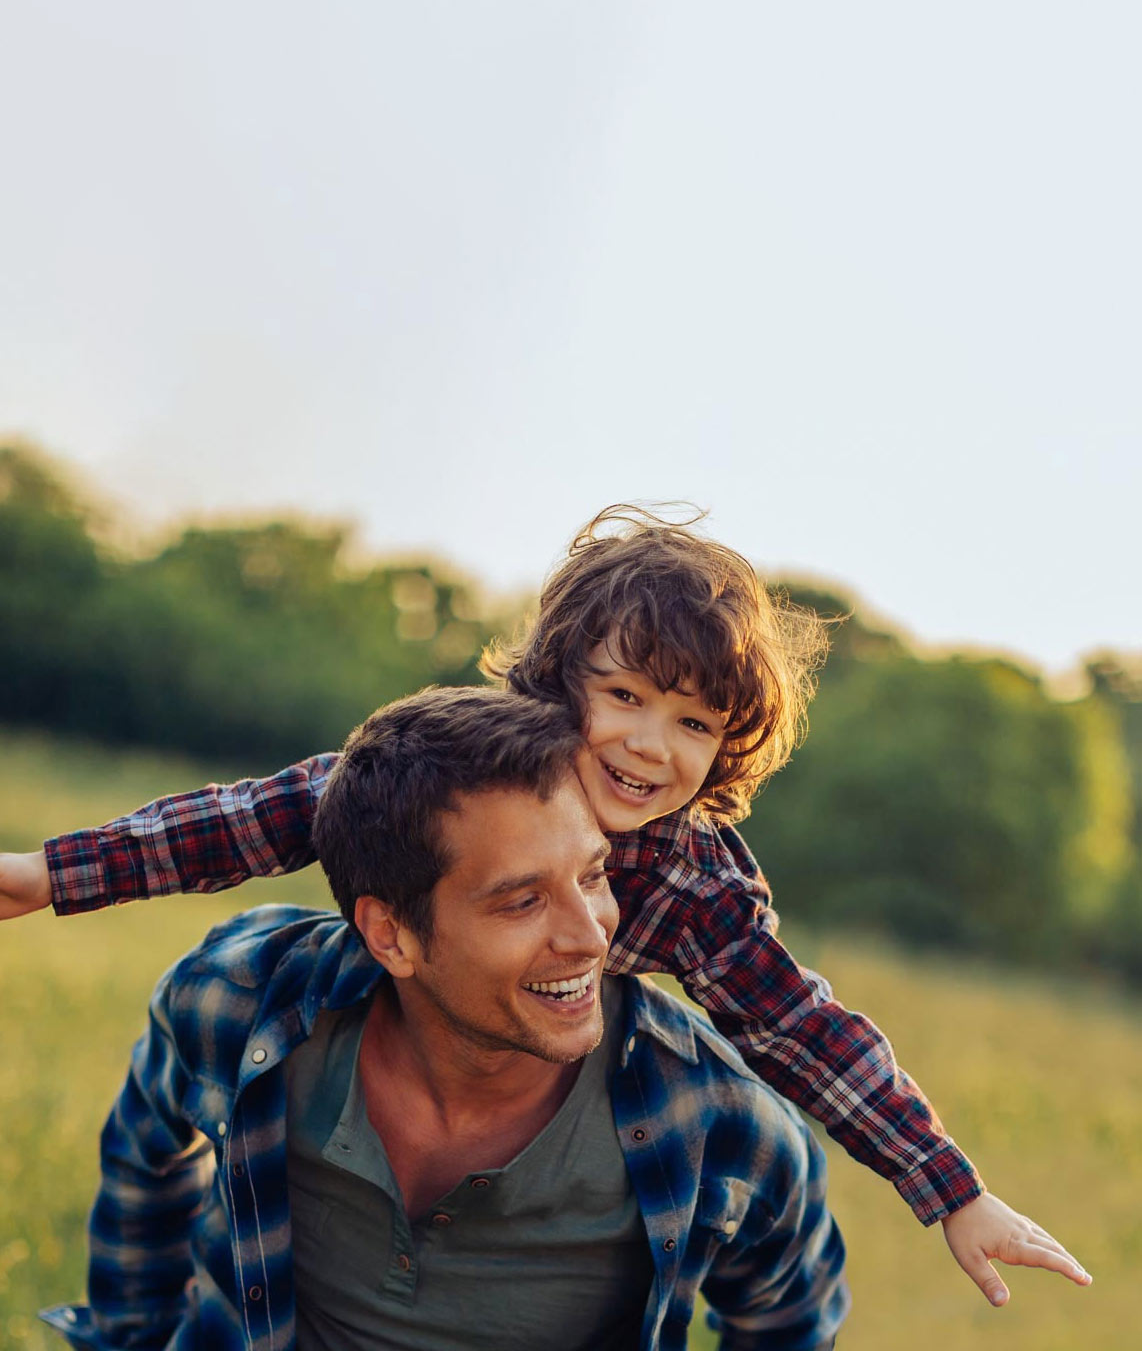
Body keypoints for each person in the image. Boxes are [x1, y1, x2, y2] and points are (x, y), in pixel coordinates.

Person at [8, 507, 1088, 1308]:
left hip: (557, 1095)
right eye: (622, 696)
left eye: (694, 723)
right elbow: (263, 816)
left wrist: (948, 1188)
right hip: (407, 1026)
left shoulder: (694, 878)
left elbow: (797, 1024)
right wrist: (54, 875)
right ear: (559, 677)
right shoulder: (468, 764)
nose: (648, 745)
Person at [42, 686, 849, 1351]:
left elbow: (791, 1320)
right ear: (390, 934)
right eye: (522, 900)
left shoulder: (718, 1118)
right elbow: (147, 1156)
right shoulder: (238, 1000)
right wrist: (131, 1332)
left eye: (594, 877)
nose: (589, 934)